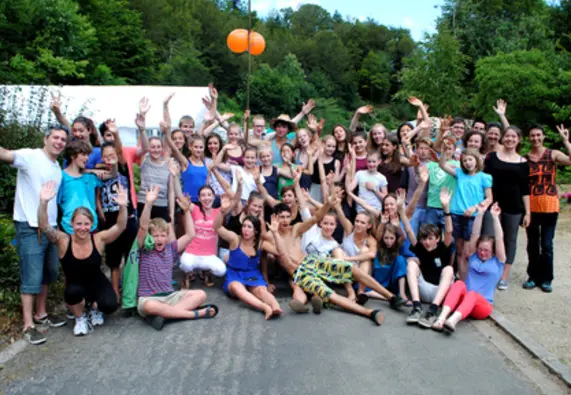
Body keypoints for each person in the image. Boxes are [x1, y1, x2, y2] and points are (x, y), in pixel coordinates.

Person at [1, 125, 69, 344]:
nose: (59, 142)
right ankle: (28, 324)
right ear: (45, 139)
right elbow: (5, 155)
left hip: (49, 227)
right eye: (55, 138)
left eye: (63, 139)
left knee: (48, 273)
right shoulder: (30, 156)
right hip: (29, 227)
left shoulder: (57, 166)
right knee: (31, 278)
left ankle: (42, 314)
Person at [39, 181, 128, 336]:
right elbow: (44, 225)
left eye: (86, 224)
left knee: (110, 304)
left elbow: (120, 227)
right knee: (72, 292)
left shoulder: (98, 239)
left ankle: (94, 308)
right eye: (78, 224)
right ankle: (80, 317)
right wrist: (43, 202)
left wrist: (123, 206)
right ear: (71, 224)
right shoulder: (63, 240)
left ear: (92, 225)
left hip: (97, 284)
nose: (82, 228)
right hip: (75, 286)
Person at [136, 185, 218, 330]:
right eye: (155, 236)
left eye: (162, 235)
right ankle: (192, 314)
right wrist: (148, 204)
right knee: (148, 306)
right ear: (150, 237)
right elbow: (143, 227)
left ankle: (164, 316)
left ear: (167, 237)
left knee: (200, 294)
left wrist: (186, 211)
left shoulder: (171, 248)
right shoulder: (144, 249)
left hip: (170, 297)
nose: (159, 239)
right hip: (149, 298)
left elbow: (191, 235)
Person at [433, 201, 505, 333]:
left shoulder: (498, 261)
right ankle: (441, 318)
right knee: (459, 283)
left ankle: (453, 321)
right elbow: (475, 234)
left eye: (486, 251)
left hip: (482, 306)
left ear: (493, 252)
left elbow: (499, 238)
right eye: (481, 249)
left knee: (472, 294)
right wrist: (480, 213)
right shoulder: (473, 256)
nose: (482, 253)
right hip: (464, 301)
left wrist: (495, 217)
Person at [214, 198, 283, 320]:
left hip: (252, 274)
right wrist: (222, 211)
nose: (245, 229)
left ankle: (275, 306)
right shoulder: (235, 239)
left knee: (261, 291)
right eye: (244, 226)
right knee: (237, 288)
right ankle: (264, 307)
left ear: (255, 231)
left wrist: (275, 233)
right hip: (234, 274)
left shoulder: (260, 243)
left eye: (249, 227)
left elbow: (280, 252)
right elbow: (217, 227)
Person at [523, 124, 571, 292]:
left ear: (543, 137)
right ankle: (533, 276)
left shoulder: (553, 154)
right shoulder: (525, 157)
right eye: (532, 135)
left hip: (550, 205)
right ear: (529, 138)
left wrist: (566, 140)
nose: (535, 138)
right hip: (531, 206)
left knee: (547, 244)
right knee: (532, 244)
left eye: (538, 135)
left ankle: (546, 279)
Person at [483, 125, 530, 290]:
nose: (510, 139)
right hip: (493, 203)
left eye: (513, 137)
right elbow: (484, 181)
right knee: (489, 237)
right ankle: (488, 271)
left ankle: (504, 275)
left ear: (518, 140)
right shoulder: (492, 157)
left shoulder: (523, 162)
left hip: (514, 207)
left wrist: (528, 213)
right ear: (503, 138)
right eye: (507, 136)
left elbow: (525, 190)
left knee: (510, 239)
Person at [403, 188, 455, 329]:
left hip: (440, 291)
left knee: (449, 269)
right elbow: (408, 230)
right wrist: (402, 212)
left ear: (437, 238)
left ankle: (432, 310)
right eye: (424, 238)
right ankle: (416, 307)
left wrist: (446, 207)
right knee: (412, 264)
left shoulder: (443, 247)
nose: (427, 242)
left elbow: (449, 231)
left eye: (430, 238)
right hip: (424, 289)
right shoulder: (420, 247)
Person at [439, 148, 492, 280]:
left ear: (477, 160)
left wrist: (475, 207)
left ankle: (468, 278)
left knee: (469, 250)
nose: (468, 163)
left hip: (472, 217)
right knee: (459, 250)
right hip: (456, 214)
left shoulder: (484, 177)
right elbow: (442, 165)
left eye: (470, 159)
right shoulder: (459, 173)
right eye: (465, 160)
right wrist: (444, 149)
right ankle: (460, 278)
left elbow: (489, 198)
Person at [98, 142, 139, 300]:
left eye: (112, 156)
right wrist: (99, 209)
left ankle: (130, 291)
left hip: (127, 220)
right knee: (113, 261)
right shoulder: (99, 173)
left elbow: (117, 164)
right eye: (106, 157)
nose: (109, 160)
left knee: (130, 258)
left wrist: (115, 135)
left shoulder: (122, 170)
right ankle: (115, 291)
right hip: (109, 223)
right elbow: (97, 194)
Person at [58, 140, 104, 234]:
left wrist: (91, 171)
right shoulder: (61, 176)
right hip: (69, 227)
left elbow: (113, 174)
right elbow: (56, 205)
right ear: (72, 155)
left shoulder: (91, 177)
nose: (86, 158)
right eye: (83, 154)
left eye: (87, 155)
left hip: (91, 226)